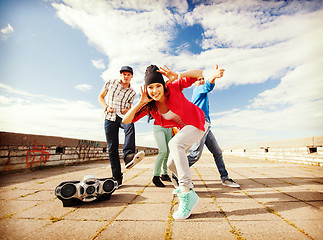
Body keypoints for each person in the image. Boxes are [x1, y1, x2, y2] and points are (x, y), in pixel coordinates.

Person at [123, 64, 209, 220]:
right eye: (150, 87)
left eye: (158, 86)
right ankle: (186, 185)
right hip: (186, 131)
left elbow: (199, 73)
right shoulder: (150, 107)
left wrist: (178, 74)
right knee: (171, 164)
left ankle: (186, 193)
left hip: (198, 122)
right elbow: (126, 119)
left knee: (174, 144)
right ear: (146, 88)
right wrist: (140, 102)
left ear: (163, 85)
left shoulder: (173, 88)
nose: (155, 90)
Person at [187, 65, 240, 188]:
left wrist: (213, 78)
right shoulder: (198, 90)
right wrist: (214, 76)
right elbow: (208, 86)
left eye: (202, 78)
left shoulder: (201, 93)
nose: (201, 81)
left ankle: (225, 178)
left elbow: (208, 86)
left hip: (206, 126)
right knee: (195, 155)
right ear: (194, 83)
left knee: (217, 152)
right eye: (199, 79)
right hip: (200, 125)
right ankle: (177, 172)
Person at [98, 66, 145, 188]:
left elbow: (130, 107)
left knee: (130, 124)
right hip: (110, 117)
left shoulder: (132, 92)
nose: (126, 76)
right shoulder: (111, 83)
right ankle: (117, 178)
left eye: (128, 74)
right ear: (121, 75)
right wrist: (106, 107)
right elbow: (100, 97)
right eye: (124, 74)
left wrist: (127, 110)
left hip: (123, 117)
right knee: (112, 147)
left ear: (131, 76)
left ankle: (128, 155)